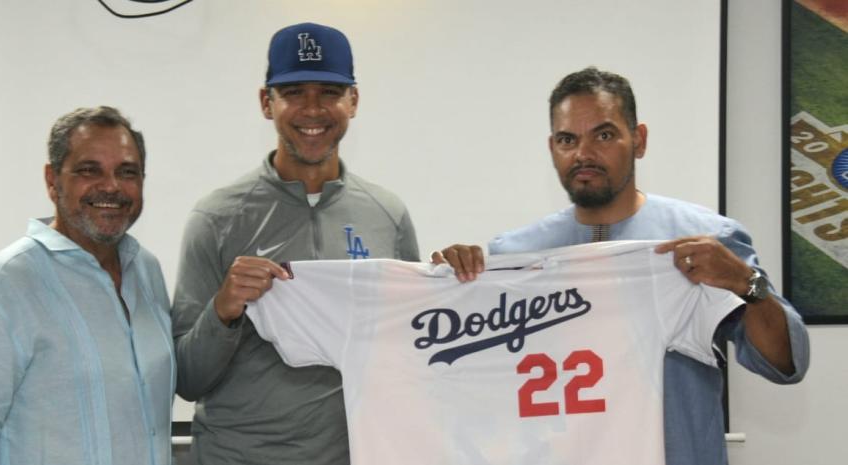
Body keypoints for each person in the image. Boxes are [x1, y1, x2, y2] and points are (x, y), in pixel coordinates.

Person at [436, 67, 810, 465]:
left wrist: (745, 283)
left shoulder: (704, 238)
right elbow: (474, 386)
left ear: (639, 140)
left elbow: (784, 364)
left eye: (604, 135)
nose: (583, 154)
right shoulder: (514, 255)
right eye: (567, 139)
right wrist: (448, 286)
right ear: (552, 149)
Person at [171, 22, 420, 465]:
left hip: (353, 454)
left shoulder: (388, 215)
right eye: (293, 92)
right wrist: (225, 309)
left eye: (328, 91)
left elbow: (408, 354)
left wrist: (454, 283)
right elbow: (187, 378)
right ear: (267, 102)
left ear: (353, 101)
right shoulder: (217, 217)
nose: (312, 109)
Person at [0, 106, 175, 465]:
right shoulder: (1, 286)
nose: (111, 186)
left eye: (127, 172)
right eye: (88, 170)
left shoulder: (146, 270)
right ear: (52, 180)